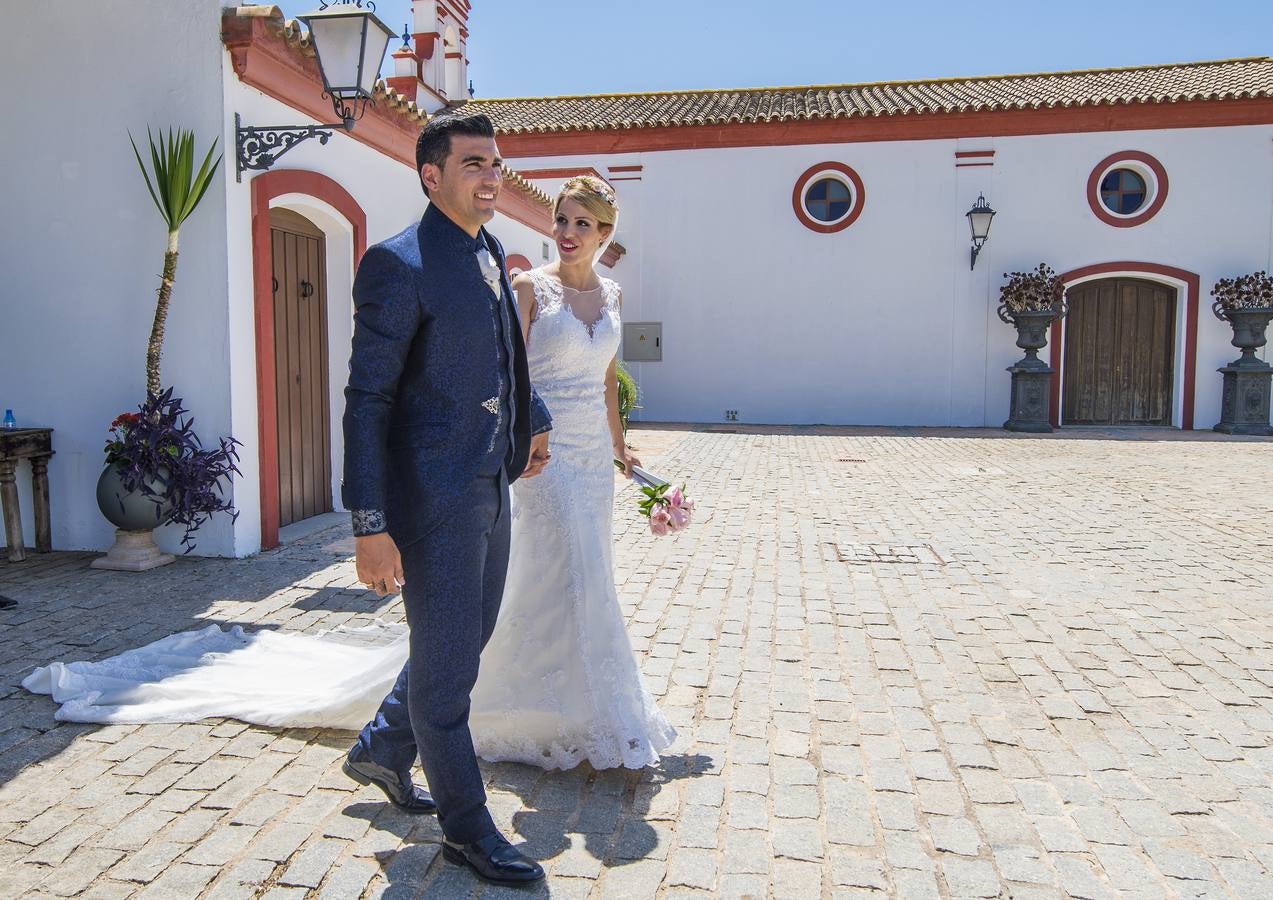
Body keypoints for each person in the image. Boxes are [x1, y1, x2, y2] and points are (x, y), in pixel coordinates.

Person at [339, 111, 551, 887]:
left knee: (465, 640)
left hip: (489, 483)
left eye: (495, 163)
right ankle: (467, 830)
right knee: (449, 675)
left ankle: (383, 747)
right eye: (472, 164)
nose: (491, 176)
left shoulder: (488, 248)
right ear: (431, 175)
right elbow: (366, 399)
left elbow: (506, 353)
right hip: (431, 500)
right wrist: (370, 525)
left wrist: (535, 423)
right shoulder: (397, 264)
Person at [466, 175, 676, 769]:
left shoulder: (611, 294)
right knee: (568, 565)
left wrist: (619, 445)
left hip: (591, 459)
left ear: (604, 233)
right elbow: (504, 372)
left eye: (582, 223)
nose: (568, 233)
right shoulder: (529, 288)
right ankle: (534, 706)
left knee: (582, 569)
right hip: (543, 453)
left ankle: (576, 708)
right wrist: (520, 435)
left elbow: (607, 376)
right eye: (561, 220)